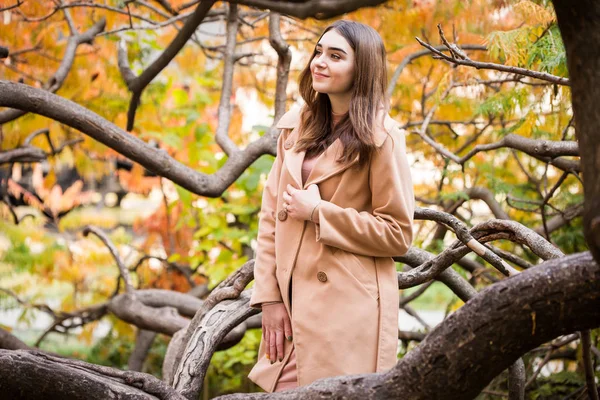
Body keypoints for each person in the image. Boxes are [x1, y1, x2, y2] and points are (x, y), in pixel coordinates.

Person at [247, 19, 415, 393]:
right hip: (292, 300)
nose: (319, 62)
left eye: (335, 56)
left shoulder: (381, 138)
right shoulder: (297, 127)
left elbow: (398, 233)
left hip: (347, 309)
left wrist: (320, 212)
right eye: (318, 52)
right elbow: (270, 215)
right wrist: (269, 297)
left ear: (362, 69)